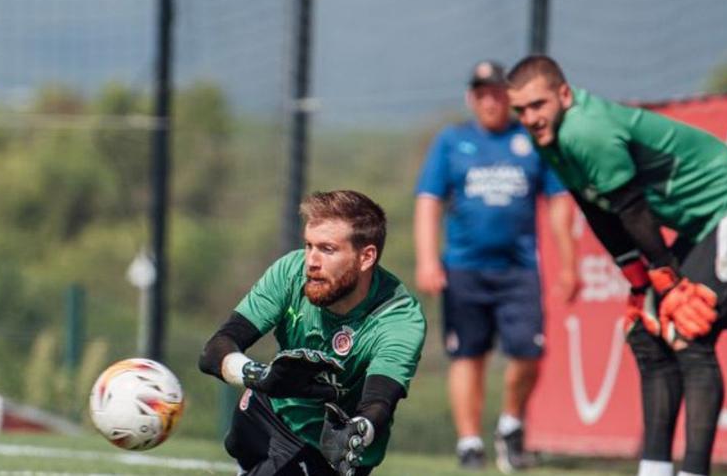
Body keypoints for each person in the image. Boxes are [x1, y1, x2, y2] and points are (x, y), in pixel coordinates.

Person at [506, 55, 727, 476]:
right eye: (522, 110)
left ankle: (694, 471)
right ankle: (654, 468)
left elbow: (631, 209)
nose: (530, 118)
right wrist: (639, 282)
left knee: (687, 333)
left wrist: (667, 281)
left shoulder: (586, 130)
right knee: (647, 332)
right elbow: (598, 210)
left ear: (564, 95)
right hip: (697, 224)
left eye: (538, 105)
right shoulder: (547, 137)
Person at [414, 60, 578, 472]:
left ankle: (510, 424)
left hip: (519, 270)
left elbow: (559, 201)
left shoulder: (530, 141)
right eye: (482, 92)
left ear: (509, 97)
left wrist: (569, 262)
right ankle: (469, 443)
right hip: (465, 269)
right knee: (468, 356)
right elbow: (428, 201)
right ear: (472, 98)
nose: (490, 100)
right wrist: (427, 259)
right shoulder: (452, 142)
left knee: (529, 354)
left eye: (497, 92)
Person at [198, 190, 426, 476]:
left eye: (327, 249)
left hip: (329, 448)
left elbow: (379, 401)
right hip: (267, 413)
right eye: (309, 245)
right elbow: (215, 350)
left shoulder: (398, 316)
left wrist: (359, 430)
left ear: (366, 257)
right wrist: (261, 377)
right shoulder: (291, 272)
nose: (311, 261)